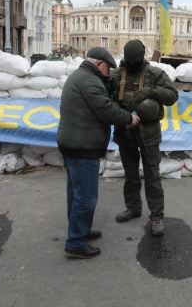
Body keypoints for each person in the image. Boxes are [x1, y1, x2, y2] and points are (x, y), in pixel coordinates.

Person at [57, 47, 140, 259]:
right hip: (82, 146)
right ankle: (75, 243)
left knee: (75, 193)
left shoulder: (81, 76)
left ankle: (79, 231)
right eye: (107, 67)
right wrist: (128, 118)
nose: (109, 71)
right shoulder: (89, 80)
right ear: (98, 63)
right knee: (86, 197)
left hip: (73, 142)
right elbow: (105, 110)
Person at [109, 40, 178, 236]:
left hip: (149, 134)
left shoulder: (154, 74)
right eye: (129, 61)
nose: (132, 64)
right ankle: (133, 208)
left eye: (135, 61)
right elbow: (105, 99)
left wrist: (152, 91)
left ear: (142, 58)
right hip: (125, 132)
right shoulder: (116, 75)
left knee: (152, 175)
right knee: (130, 174)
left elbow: (172, 96)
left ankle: (157, 216)